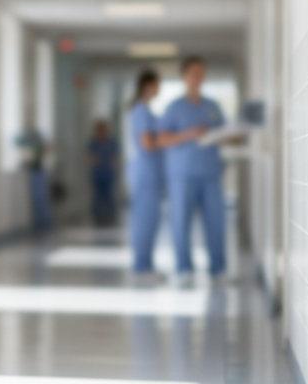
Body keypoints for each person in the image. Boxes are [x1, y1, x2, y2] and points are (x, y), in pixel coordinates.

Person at [158, 56, 227, 277]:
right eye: (194, 73)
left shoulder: (212, 106)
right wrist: (189, 134)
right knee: (180, 223)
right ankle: (183, 267)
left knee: (216, 222)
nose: (198, 77)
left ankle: (218, 267)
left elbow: (223, 132)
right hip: (182, 175)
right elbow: (161, 139)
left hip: (210, 173)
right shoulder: (174, 107)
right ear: (184, 77)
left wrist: (231, 136)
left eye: (201, 73)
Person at [126, 69, 164, 273]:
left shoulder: (145, 110)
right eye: (157, 84)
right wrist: (171, 139)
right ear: (148, 85)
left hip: (149, 173)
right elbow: (147, 143)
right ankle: (141, 265)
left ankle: (146, 263)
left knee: (150, 219)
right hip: (145, 173)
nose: (159, 89)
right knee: (144, 220)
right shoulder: (140, 111)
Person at [87, 120, 119, 225]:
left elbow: (115, 157)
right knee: (98, 195)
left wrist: (109, 162)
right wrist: (96, 160)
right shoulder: (94, 142)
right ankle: (98, 216)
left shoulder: (112, 142)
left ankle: (109, 215)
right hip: (98, 172)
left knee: (108, 195)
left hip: (108, 171)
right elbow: (90, 156)